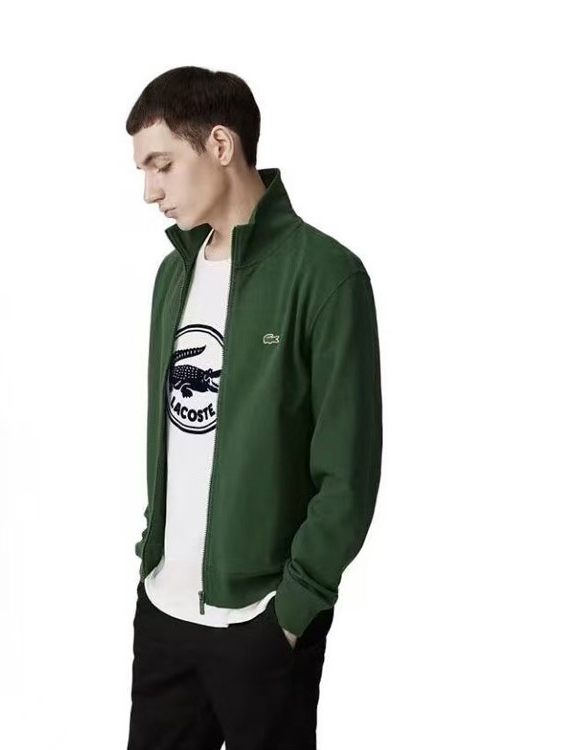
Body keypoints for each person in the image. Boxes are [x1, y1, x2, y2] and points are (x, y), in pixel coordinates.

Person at [125, 65, 383, 750]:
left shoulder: (326, 276)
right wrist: (152, 556)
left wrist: (293, 610)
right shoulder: (173, 274)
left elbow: (348, 475)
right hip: (164, 614)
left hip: (263, 624)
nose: (149, 191)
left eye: (161, 165)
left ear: (220, 144)